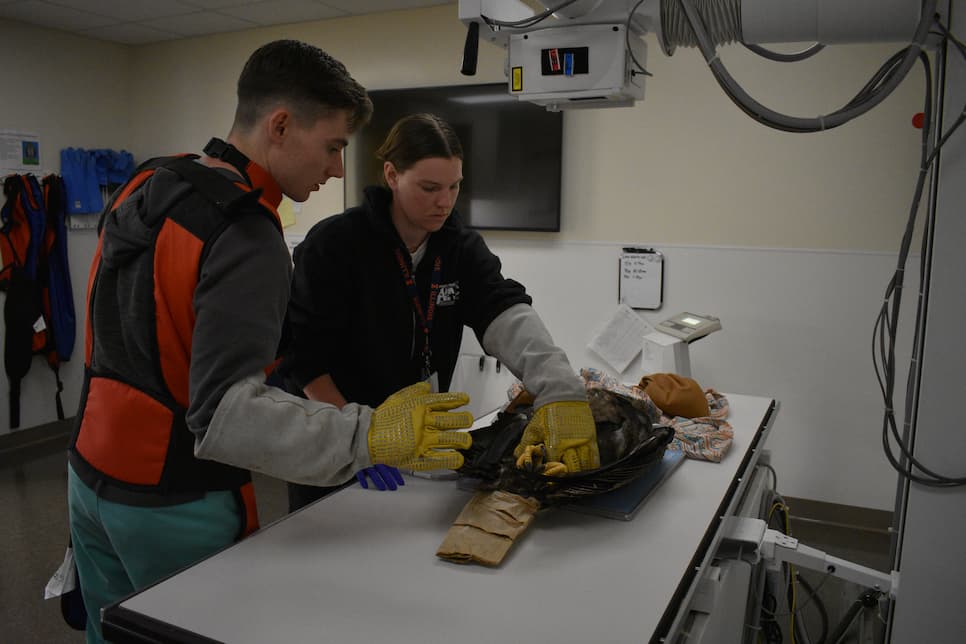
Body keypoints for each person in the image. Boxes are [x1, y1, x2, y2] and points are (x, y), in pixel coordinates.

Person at [66, 43, 473, 644]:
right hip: (173, 499)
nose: (338, 169)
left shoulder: (149, 180)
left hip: (89, 479)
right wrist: (370, 434)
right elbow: (225, 415)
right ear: (280, 125)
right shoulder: (246, 230)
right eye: (334, 146)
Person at [284, 113, 600, 511]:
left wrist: (559, 388)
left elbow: (503, 310)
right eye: (429, 187)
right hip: (339, 447)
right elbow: (304, 359)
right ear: (392, 175)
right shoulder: (335, 245)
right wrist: (358, 436)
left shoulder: (459, 247)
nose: (444, 202)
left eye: (454, 186)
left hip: (418, 449)